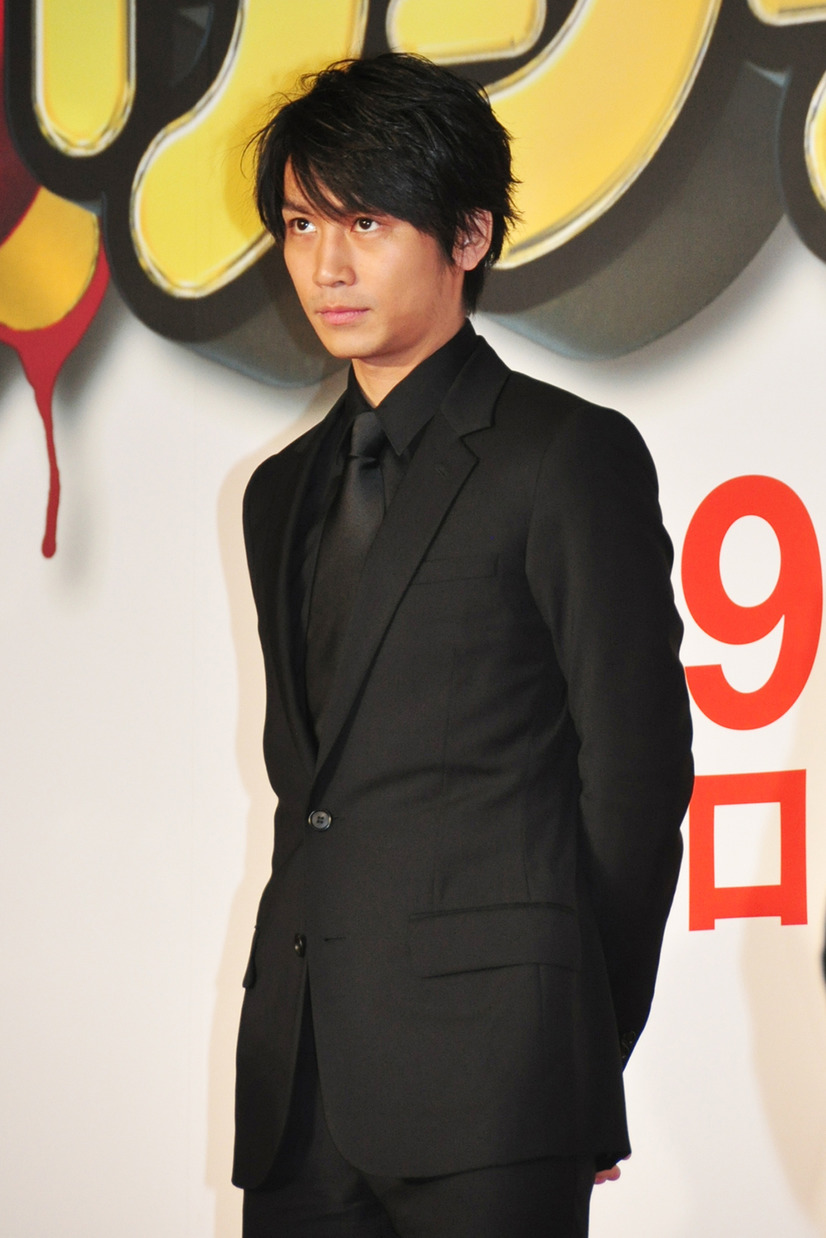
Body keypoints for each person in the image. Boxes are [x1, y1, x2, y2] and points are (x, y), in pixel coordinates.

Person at [235, 52, 693, 1238]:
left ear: (470, 234)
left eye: (367, 222)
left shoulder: (563, 455)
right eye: (300, 224)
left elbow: (636, 779)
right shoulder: (278, 492)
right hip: (299, 1092)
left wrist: (573, 1044)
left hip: (498, 1080)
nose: (326, 266)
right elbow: (312, 790)